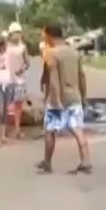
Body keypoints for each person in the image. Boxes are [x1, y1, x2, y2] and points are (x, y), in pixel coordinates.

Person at [36, 24, 91, 174]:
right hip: (74, 96)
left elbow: (54, 79)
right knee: (77, 129)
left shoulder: (51, 54)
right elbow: (82, 76)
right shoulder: (74, 52)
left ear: (49, 36)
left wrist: (56, 100)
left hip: (57, 99)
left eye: (45, 36)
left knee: (50, 130)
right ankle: (85, 160)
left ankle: (47, 162)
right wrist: (84, 97)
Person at [5, 22, 30, 139]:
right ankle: (3, 129)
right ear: (10, 34)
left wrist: (21, 69)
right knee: (4, 105)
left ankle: (17, 130)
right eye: (15, 33)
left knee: (18, 105)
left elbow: (27, 63)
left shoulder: (23, 47)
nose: (17, 35)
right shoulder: (5, 47)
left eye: (19, 33)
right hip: (6, 80)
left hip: (19, 80)